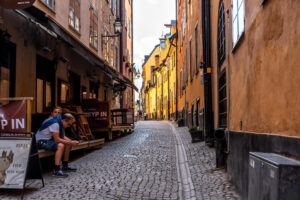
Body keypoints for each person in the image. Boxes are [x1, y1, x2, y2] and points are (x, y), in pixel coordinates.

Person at [36, 113, 79, 177]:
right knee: (60, 145)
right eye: (69, 124)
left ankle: (65, 166)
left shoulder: (61, 123)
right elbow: (57, 139)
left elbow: (63, 137)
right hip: (41, 142)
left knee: (67, 144)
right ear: (64, 120)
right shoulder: (55, 123)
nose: (69, 126)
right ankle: (56, 170)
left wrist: (71, 141)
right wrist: (71, 142)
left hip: (48, 140)